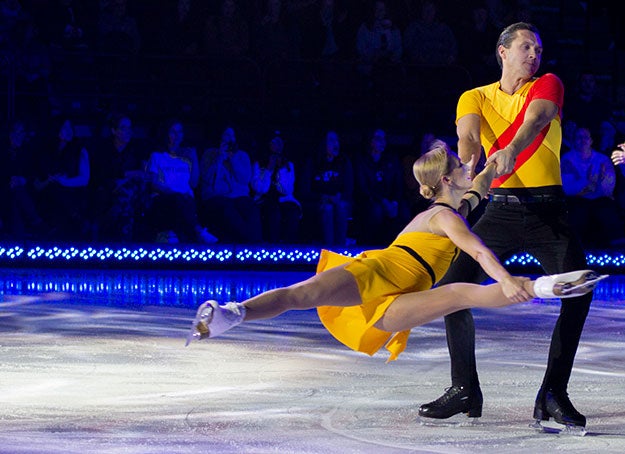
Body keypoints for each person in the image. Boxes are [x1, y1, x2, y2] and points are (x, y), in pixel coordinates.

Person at [186, 144, 602, 367]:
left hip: (403, 295)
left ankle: (545, 286)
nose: (467, 172)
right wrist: (504, 277)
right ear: (446, 179)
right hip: (377, 272)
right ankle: (231, 313)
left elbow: (480, 187)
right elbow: (477, 248)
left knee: (459, 293)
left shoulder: (457, 207)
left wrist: (494, 161)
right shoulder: (442, 216)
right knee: (302, 294)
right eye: (461, 167)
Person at [417, 22, 595, 432]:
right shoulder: (475, 95)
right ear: (503, 51)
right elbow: (468, 136)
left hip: (547, 211)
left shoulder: (547, 83)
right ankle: (464, 390)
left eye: (539, 48)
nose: (535, 54)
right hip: (499, 210)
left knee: (579, 291)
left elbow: (538, 119)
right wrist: (469, 166)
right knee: (451, 291)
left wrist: (512, 149)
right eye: (526, 47)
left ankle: (553, 394)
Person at [145, 119, 217, 244]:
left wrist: (194, 159)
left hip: (186, 201)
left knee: (185, 202)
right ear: (167, 133)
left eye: (180, 132)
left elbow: (194, 183)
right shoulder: (157, 156)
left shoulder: (186, 158)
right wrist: (172, 193)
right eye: (173, 131)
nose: (177, 135)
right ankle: (199, 231)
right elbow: (153, 183)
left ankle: (181, 238)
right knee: (178, 199)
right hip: (163, 199)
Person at [89, 113, 152, 242]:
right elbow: (102, 173)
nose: (128, 131)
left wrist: (124, 177)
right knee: (121, 197)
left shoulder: (136, 149)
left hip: (132, 190)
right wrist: (127, 174)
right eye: (124, 128)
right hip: (108, 188)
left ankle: (120, 241)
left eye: (130, 128)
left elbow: (144, 173)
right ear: (114, 130)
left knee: (127, 193)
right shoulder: (104, 149)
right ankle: (122, 240)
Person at [561, 126, 625, 248]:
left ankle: (615, 249)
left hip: (600, 199)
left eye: (586, 137)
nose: (583, 140)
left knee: (607, 211)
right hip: (576, 200)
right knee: (577, 213)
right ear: (574, 140)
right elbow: (568, 189)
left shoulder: (602, 159)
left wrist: (590, 186)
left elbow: (607, 189)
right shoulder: (567, 159)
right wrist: (589, 183)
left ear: (591, 140)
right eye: (579, 137)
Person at [198, 126, 262, 243]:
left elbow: (245, 179)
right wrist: (219, 159)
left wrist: (232, 160)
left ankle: (253, 244)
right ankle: (252, 242)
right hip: (216, 196)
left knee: (251, 208)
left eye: (232, 136)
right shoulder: (209, 154)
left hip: (239, 196)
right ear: (220, 137)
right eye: (227, 135)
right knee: (227, 209)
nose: (230, 139)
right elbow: (207, 178)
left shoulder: (242, 155)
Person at [353, 128, 409, 245]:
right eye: (378, 139)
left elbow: (398, 184)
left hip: (390, 201)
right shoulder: (362, 161)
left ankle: (399, 246)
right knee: (376, 211)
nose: (382, 142)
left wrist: (394, 202)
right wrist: (383, 201)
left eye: (383, 139)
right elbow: (363, 188)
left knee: (403, 210)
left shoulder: (391, 160)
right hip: (370, 201)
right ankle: (372, 246)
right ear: (370, 141)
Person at [299, 130, 353, 246]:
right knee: (327, 209)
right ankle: (328, 250)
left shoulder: (344, 161)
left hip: (338, 201)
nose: (336, 144)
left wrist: (339, 197)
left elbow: (349, 189)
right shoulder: (313, 161)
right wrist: (323, 197)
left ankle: (341, 249)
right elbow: (304, 191)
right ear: (323, 143)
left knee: (342, 207)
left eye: (337, 141)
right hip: (317, 201)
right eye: (332, 141)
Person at [250, 132, 301, 243]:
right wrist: (269, 169)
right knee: (273, 212)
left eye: (280, 142)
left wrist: (279, 172)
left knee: (292, 212)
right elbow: (261, 189)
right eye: (274, 142)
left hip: (284, 199)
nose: (278, 145)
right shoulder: (259, 165)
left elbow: (287, 190)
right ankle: (273, 247)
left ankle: (289, 248)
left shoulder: (288, 165)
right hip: (264, 200)